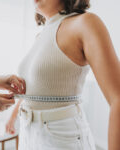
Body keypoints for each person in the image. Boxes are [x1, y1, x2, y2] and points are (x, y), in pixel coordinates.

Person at [8, 0, 120, 150]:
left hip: (62, 138)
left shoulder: (85, 23)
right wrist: (13, 115)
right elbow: (34, 90)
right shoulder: (40, 36)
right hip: (29, 134)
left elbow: (117, 98)